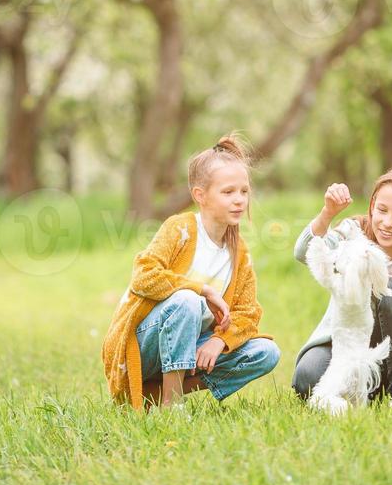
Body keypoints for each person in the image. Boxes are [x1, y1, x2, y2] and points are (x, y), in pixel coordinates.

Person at [102, 134, 280, 410]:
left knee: (266, 352)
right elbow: (143, 276)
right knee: (188, 301)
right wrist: (203, 290)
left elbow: (248, 313)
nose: (239, 201)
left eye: (244, 191)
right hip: (148, 342)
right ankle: (172, 407)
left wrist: (219, 341)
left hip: (193, 344)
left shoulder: (239, 253)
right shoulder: (179, 228)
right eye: (228, 192)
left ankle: (159, 395)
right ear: (200, 196)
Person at [292, 163, 392, 406]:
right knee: (306, 379)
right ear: (372, 206)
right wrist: (328, 213)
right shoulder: (354, 233)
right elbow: (304, 252)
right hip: (348, 346)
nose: (387, 222)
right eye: (382, 210)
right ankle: (364, 391)